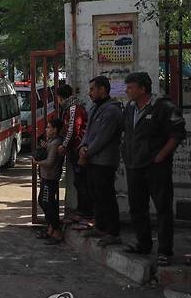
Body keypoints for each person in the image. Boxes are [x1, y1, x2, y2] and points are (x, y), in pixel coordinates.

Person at [121, 72, 186, 267]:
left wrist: (162, 154)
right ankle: (144, 243)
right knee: (137, 207)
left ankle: (165, 251)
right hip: (134, 166)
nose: (127, 91)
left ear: (142, 88)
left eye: (131, 87)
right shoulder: (130, 109)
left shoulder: (163, 107)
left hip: (156, 167)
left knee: (163, 209)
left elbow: (177, 133)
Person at [78, 76, 123, 247]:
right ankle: (101, 226)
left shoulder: (112, 111)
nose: (89, 93)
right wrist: (82, 147)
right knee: (96, 196)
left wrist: (86, 153)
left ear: (102, 89)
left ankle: (113, 232)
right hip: (92, 159)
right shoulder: (96, 107)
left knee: (106, 197)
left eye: (92, 89)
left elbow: (103, 137)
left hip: (104, 161)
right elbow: (88, 132)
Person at [55, 84, 90, 223]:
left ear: (60, 97)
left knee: (81, 183)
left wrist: (64, 145)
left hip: (78, 150)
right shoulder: (70, 108)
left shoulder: (73, 108)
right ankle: (83, 212)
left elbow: (72, 130)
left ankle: (85, 213)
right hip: (75, 149)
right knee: (79, 182)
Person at [33, 119, 65, 245]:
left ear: (55, 129)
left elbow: (50, 162)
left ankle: (56, 231)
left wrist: (37, 163)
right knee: (44, 201)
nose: (46, 129)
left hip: (50, 177)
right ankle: (51, 228)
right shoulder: (51, 142)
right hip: (46, 177)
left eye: (48, 127)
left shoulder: (56, 143)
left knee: (47, 203)